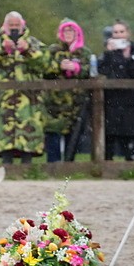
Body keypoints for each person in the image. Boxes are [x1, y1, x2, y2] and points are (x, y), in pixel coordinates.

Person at [0, 11, 48, 163]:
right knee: (4, 134)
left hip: (30, 100)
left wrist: (28, 51)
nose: (14, 28)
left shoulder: (34, 43)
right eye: (11, 25)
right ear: (5, 26)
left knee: (29, 133)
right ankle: (6, 165)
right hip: (2, 101)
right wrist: (2, 50)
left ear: (23, 26)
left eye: (17, 25)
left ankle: (28, 167)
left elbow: (46, 66)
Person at [41, 19, 92, 162]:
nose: (68, 33)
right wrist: (59, 67)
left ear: (77, 33)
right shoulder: (53, 50)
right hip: (55, 102)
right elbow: (44, 70)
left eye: (71, 30)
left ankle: (70, 167)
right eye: (65, 30)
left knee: (74, 134)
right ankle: (53, 166)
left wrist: (76, 68)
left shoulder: (84, 52)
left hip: (76, 102)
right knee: (53, 133)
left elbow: (90, 72)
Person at [97, 19, 134, 161]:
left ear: (128, 34)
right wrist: (108, 53)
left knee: (129, 136)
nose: (118, 35)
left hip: (130, 101)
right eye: (115, 32)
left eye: (121, 32)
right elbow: (101, 70)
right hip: (111, 100)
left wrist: (128, 57)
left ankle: (130, 168)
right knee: (109, 136)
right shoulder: (108, 50)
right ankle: (106, 167)